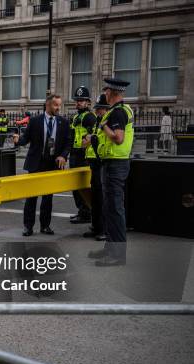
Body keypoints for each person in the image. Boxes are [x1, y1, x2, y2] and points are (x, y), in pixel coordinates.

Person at [88, 78, 134, 266]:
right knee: (110, 208)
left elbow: (118, 138)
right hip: (113, 163)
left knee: (115, 209)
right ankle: (110, 248)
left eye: (106, 91)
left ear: (112, 92)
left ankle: (117, 255)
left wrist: (102, 127)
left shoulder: (117, 113)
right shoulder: (120, 111)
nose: (105, 94)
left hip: (115, 164)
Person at [13, 94, 70, 236]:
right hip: (36, 163)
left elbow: (68, 142)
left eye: (60, 105)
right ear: (48, 105)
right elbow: (26, 139)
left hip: (52, 163)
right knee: (31, 197)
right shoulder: (35, 121)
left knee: (48, 198)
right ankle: (28, 226)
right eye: (56, 105)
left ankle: (45, 226)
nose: (59, 108)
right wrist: (18, 140)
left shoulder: (63, 122)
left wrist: (63, 155)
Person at [81, 94, 110, 241]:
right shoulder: (98, 121)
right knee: (96, 197)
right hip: (94, 162)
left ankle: (104, 229)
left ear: (107, 109)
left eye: (101, 109)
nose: (98, 111)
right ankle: (96, 227)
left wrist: (91, 139)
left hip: (103, 162)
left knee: (102, 198)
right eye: (97, 108)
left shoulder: (108, 121)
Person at [69, 86, 96, 224]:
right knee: (76, 186)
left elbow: (93, 136)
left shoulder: (90, 117)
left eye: (81, 100)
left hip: (83, 156)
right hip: (74, 154)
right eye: (77, 100)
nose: (78, 102)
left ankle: (87, 212)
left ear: (88, 102)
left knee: (84, 186)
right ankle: (82, 211)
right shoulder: (75, 117)